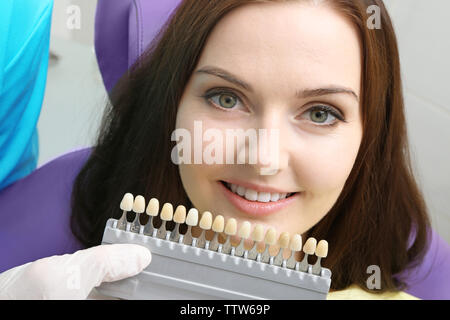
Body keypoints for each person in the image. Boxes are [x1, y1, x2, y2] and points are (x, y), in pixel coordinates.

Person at [0, 0, 441, 299]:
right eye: (226, 98)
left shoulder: (406, 264)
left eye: (321, 113)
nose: (263, 159)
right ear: (171, 106)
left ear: (370, 136)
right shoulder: (55, 224)